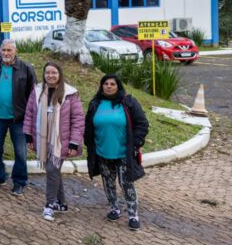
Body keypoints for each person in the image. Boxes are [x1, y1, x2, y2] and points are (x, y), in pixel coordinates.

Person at [85, 74, 149, 231]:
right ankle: (114, 208)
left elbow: (142, 124)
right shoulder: (95, 104)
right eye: (105, 83)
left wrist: (136, 144)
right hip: (102, 152)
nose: (108, 86)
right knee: (108, 182)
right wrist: (89, 143)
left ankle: (133, 214)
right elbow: (88, 126)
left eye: (112, 84)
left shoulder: (128, 102)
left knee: (126, 183)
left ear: (118, 86)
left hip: (123, 153)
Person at [23, 62, 85, 221]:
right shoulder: (37, 91)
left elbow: (77, 120)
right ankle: (61, 203)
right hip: (42, 137)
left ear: (60, 74)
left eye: (54, 73)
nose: (50, 76)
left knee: (51, 170)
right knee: (54, 171)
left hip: (61, 140)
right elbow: (30, 113)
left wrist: (74, 143)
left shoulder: (70, 93)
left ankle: (49, 205)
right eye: (47, 73)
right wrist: (28, 136)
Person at [0, 39, 37, 196]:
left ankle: (19, 181)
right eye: (4, 50)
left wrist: (30, 116)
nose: (6, 53)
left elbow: (34, 94)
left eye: (9, 50)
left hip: (19, 118)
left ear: (15, 51)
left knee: (20, 152)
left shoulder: (26, 68)